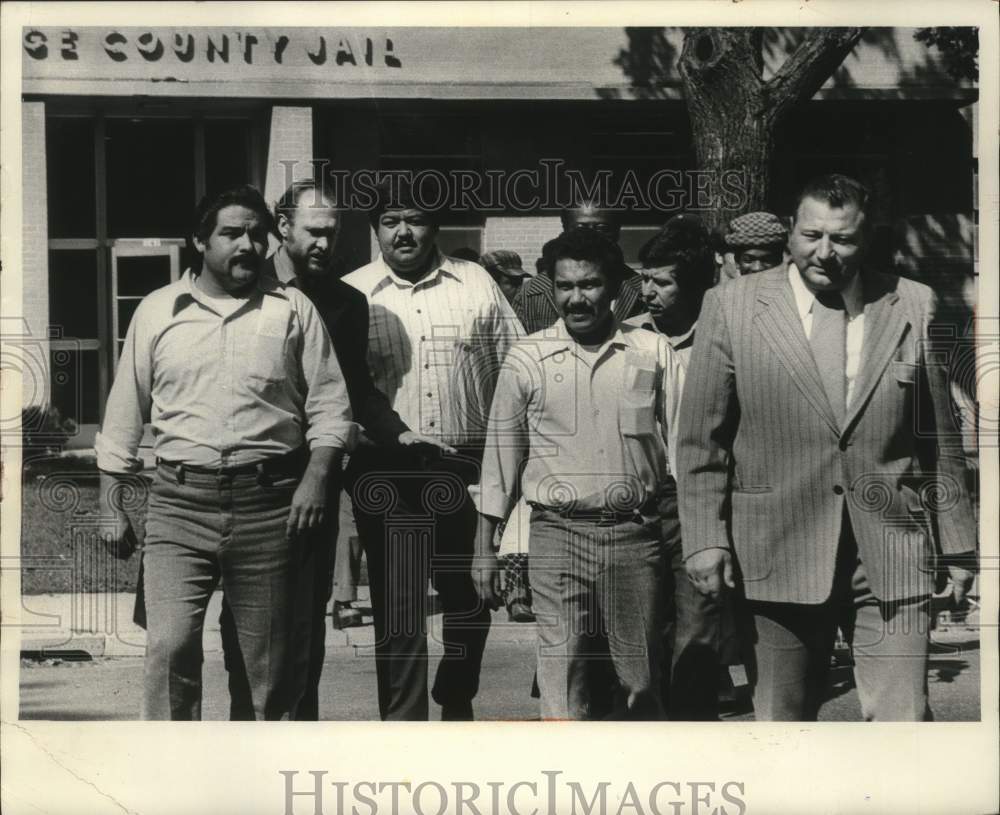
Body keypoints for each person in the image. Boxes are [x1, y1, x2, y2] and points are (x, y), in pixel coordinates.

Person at [677, 174, 977, 721]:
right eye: (812, 235)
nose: (826, 252)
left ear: (867, 239)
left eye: (843, 239)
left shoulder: (912, 302)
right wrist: (703, 540)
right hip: (775, 547)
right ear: (790, 233)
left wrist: (957, 545)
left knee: (904, 726)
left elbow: (937, 436)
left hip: (892, 548)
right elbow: (703, 441)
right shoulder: (731, 306)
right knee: (782, 725)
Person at [96, 185, 355, 720]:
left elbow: (332, 410)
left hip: (271, 506)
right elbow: (126, 411)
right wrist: (109, 500)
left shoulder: (293, 310)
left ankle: (254, 781)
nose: (247, 246)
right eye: (232, 233)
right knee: (169, 648)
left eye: (257, 235)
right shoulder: (157, 311)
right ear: (199, 241)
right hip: (178, 505)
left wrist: (314, 479)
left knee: (268, 671)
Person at [219, 179, 451, 720]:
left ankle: (360, 737)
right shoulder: (247, 286)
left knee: (350, 608)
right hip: (261, 478)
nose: (325, 244)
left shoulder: (347, 302)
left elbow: (354, 389)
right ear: (283, 229)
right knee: (271, 625)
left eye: (333, 234)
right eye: (313, 233)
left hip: (333, 469)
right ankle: (269, 736)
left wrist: (397, 433)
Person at [473, 228, 683, 720]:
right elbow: (500, 458)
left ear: (613, 288)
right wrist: (483, 549)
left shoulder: (652, 352)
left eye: (589, 285)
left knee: (642, 684)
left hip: (636, 536)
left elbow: (684, 451)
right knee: (564, 684)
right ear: (551, 288)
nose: (576, 298)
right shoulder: (528, 357)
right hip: (556, 536)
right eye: (565, 286)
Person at [342, 178, 523, 721]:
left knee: (469, 596)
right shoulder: (355, 293)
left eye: (416, 219)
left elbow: (515, 369)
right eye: (391, 220)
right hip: (387, 472)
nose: (404, 231)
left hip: (465, 463)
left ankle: (457, 693)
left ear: (435, 227)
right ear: (375, 229)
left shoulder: (477, 285)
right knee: (399, 610)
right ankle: (403, 728)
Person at [625, 213, 726, 720]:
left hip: (700, 504)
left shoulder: (724, 341)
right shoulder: (630, 340)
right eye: (644, 278)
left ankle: (693, 735)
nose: (647, 291)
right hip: (642, 503)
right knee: (643, 634)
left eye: (661, 281)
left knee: (697, 631)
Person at [513, 201, 645, 332]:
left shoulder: (645, 291)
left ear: (617, 230)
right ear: (565, 229)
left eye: (602, 228)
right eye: (581, 228)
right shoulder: (530, 294)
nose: (591, 236)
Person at [724, 211, 788, 276]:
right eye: (748, 260)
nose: (757, 268)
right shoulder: (730, 286)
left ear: (779, 260)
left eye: (767, 260)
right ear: (737, 262)